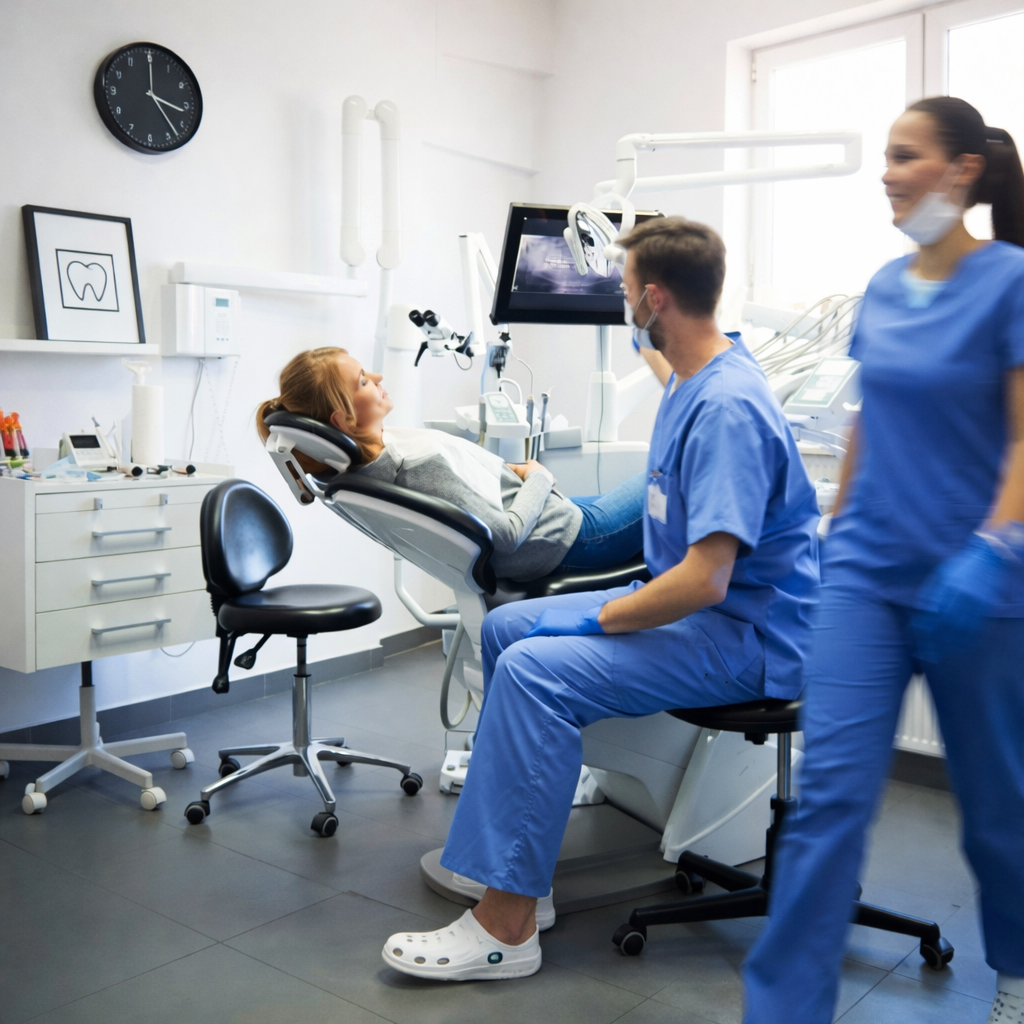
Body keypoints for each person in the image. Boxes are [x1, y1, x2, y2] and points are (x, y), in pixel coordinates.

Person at [380, 216, 822, 982]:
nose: (621, 306)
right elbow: (660, 363)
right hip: (700, 608)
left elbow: (708, 579)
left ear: (654, 298)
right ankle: (525, 861)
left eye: (624, 294)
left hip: (746, 635)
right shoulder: (694, 372)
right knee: (508, 627)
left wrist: (605, 615)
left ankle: (506, 926)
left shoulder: (726, 408)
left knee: (534, 670)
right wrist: (646, 327)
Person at [742, 97, 1024, 1024]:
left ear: (962, 170)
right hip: (867, 575)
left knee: (997, 816)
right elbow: (870, 419)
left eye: (907, 156)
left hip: (977, 585)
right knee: (827, 806)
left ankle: (1018, 976)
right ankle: (784, 1009)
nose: (889, 174)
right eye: (888, 158)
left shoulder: (1012, 280)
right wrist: (836, 535)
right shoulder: (884, 287)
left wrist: (990, 550)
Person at [256, 348, 647, 582]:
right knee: (669, 481)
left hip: (554, 524)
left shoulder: (363, 471)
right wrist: (538, 476)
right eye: (361, 381)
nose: (376, 377)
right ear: (343, 421)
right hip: (567, 540)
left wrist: (518, 474)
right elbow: (507, 535)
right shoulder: (414, 467)